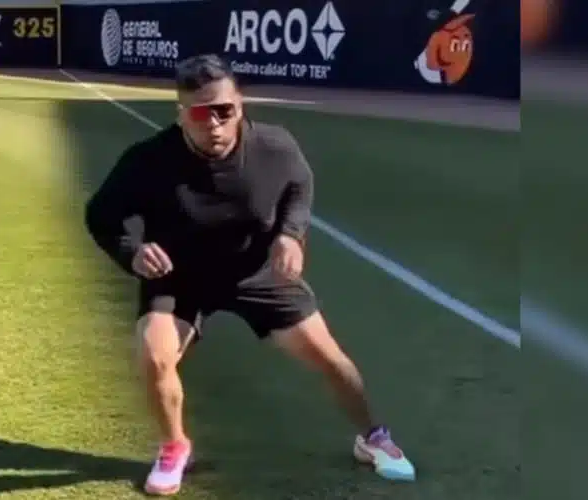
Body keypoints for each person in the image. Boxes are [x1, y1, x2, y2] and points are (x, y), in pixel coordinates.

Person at [84, 54, 415, 496]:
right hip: (179, 277)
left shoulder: (274, 147)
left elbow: (300, 184)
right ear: (181, 113)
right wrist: (132, 251)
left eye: (226, 110)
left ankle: (373, 438)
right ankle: (175, 446)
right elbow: (101, 213)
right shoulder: (147, 161)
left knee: (332, 360)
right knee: (154, 353)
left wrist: (291, 234)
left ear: (240, 104)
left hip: (257, 272)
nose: (215, 124)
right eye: (202, 113)